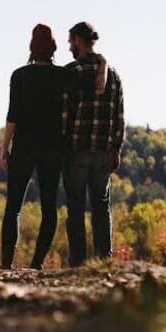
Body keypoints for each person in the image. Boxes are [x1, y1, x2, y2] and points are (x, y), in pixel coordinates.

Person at [0, 24, 106, 270]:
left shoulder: (19, 76)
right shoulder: (63, 75)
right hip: (53, 149)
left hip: (24, 147)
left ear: (31, 48)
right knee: (49, 209)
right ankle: (36, 264)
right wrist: (103, 62)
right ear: (54, 48)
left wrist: (5, 148)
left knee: (13, 207)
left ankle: (6, 265)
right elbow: (94, 87)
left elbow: (12, 116)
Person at [63, 21, 124, 268]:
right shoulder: (114, 76)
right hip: (103, 152)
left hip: (76, 151)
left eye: (70, 41)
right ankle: (103, 261)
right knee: (101, 207)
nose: (69, 46)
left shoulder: (71, 72)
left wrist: (62, 147)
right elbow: (120, 116)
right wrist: (116, 149)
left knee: (76, 207)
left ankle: (78, 263)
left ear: (78, 40)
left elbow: (64, 115)